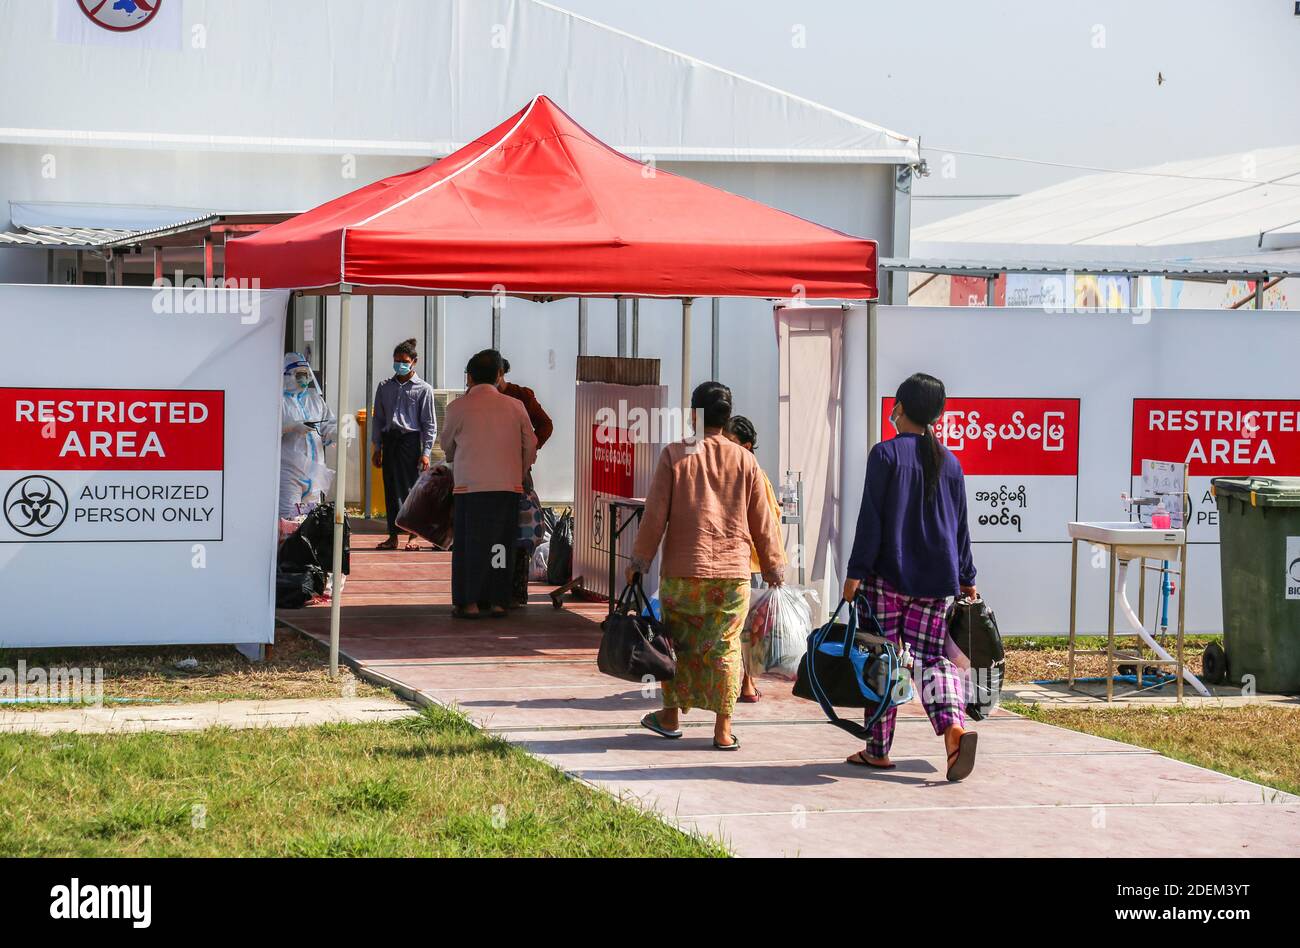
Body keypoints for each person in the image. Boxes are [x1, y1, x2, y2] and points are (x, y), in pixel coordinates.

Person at [629, 382, 785, 751]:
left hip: (683, 571)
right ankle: (723, 730)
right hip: (732, 576)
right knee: (725, 648)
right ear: (727, 417)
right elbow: (762, 522)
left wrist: (639, 561)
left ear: (692, 415)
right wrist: (774, 568)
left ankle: (669, 717)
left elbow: (655, 517)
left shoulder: (675, 455)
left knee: (675, 644)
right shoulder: (746, 460)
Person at [842, 372, 979, 782]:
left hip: (888, 578)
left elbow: (871, 521)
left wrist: (855, 574)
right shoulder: (950, 461)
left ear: (900, 407)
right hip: (936, 583)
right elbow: (959, 528)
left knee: (884, 659)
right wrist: (967, 576)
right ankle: (953, 730)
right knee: (932, 659)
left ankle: (878, 750)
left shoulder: (885, 455)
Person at [440, 349, 538, 619]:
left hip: (468, 487)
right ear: (499, 375)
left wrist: (454, 457)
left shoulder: (456, 408)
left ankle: (469, 602)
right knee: (500, 545)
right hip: (506, 486)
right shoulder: (515, 406)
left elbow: (446, 445)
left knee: (469, 545)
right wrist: (520, 470)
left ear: (469, 377)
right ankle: (497, 600)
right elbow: (531, 443)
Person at [723, 415, 783, 704]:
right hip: (736, 562)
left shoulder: (754, 475)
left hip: (749, 564)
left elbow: (769, 521)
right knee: (736, 628)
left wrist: (773, 565)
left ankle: (746, 683)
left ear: (746, 445)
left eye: (731, 442)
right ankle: (738, 683)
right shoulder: (735, 472)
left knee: (747, 628)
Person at [370, 338, 437, 550]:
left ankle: (413, 536)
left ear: (414, 362)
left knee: (410, 490)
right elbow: (378, 419)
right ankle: (392, 535)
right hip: (390, 442)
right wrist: (377, 447)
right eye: (396, 360)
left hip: (410, 443)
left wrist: (426, 452)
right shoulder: (384, 387)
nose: (400, 364)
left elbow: (429, 423)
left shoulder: (423, 389)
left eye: (405, 361)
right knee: (390, 488)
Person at [498, 357, 553, 606]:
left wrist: (530, 448)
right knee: (496, 532)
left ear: (500, 373)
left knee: (520, 532)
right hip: (490, 472)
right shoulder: (476, 396)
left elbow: (545, 425)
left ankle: (516, 591)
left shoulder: (520, 396)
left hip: (519, 472)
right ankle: (496, 587)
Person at [279, 353, 336, 518]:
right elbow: (266, 431)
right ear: (287, 376)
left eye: (306, 374)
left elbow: (328, 422)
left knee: (311, 520)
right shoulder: (278, 401)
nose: (304, 378)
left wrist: (332, 433)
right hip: (289, 472)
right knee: (289, 520)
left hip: (314, 472)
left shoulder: (314, 399)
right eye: (299, 374)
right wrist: (291, 427)